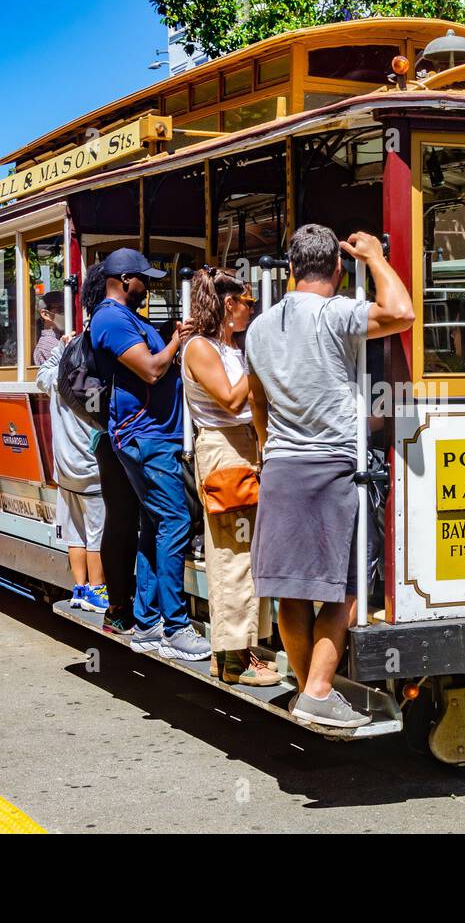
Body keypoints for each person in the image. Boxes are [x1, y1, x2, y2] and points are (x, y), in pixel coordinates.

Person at [245, 225, 414, 728]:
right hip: (330, 467)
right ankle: (318, 690)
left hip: (280, 467)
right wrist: (378, 258)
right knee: (345, 588)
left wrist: (268, 448)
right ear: (338, 272)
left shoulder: (259, 327)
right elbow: (401, 313)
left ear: (292, 268)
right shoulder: (335, 312)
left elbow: (257, 400)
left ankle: (307, 691)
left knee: (290, 589)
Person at [91, 248, 211, 660]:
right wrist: (180, 338)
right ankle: (176, 628)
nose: (149, 284)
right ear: (124, 280)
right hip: (146, 438)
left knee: (154, 524)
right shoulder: (109, 318)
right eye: (144, 278)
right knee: (176, 521)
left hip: (152, 436)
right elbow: (152, 369)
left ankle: (146, 622)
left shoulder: (127, 318)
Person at [182, 266, 282, 687]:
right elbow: (229, 399)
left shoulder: (226, 346)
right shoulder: (200, 348)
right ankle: (235, 660)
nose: (250, 311)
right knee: (231, 555)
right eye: (248, 303)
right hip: (223, 447)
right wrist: (259, 356)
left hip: (241, 445)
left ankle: (237, 653)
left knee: (247, 551)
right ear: (229, 304)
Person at [80, 263, 142, 637]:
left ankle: (120, 605)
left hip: (106, 435)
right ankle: (119, 606)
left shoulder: (95, 322)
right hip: (117, 435)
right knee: (123, 520)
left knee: (119, 518)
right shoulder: (110, 323)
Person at [35, 320, 108, 614]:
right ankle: (97, 589)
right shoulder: (92, 385)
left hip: (64, 472)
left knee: (76, 533)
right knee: (97, 535)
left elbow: (41, 374)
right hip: (91, 472)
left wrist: (63, 347)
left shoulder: (56, 379)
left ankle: (79, 588)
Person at [33, 291, 64, 366]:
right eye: (61, 309)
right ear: (45, 314)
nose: (65, 313)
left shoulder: (59, 339)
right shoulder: (47, 345)